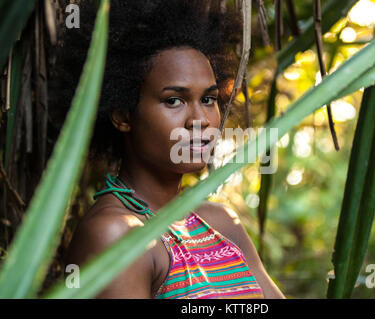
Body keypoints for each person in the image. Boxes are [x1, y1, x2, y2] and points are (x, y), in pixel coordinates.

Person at [62, 0, 285, 299]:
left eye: (208, 99)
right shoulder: (116, 234)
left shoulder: (222, 224)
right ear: (122, 115)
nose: (199, 121)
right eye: (174, 101)